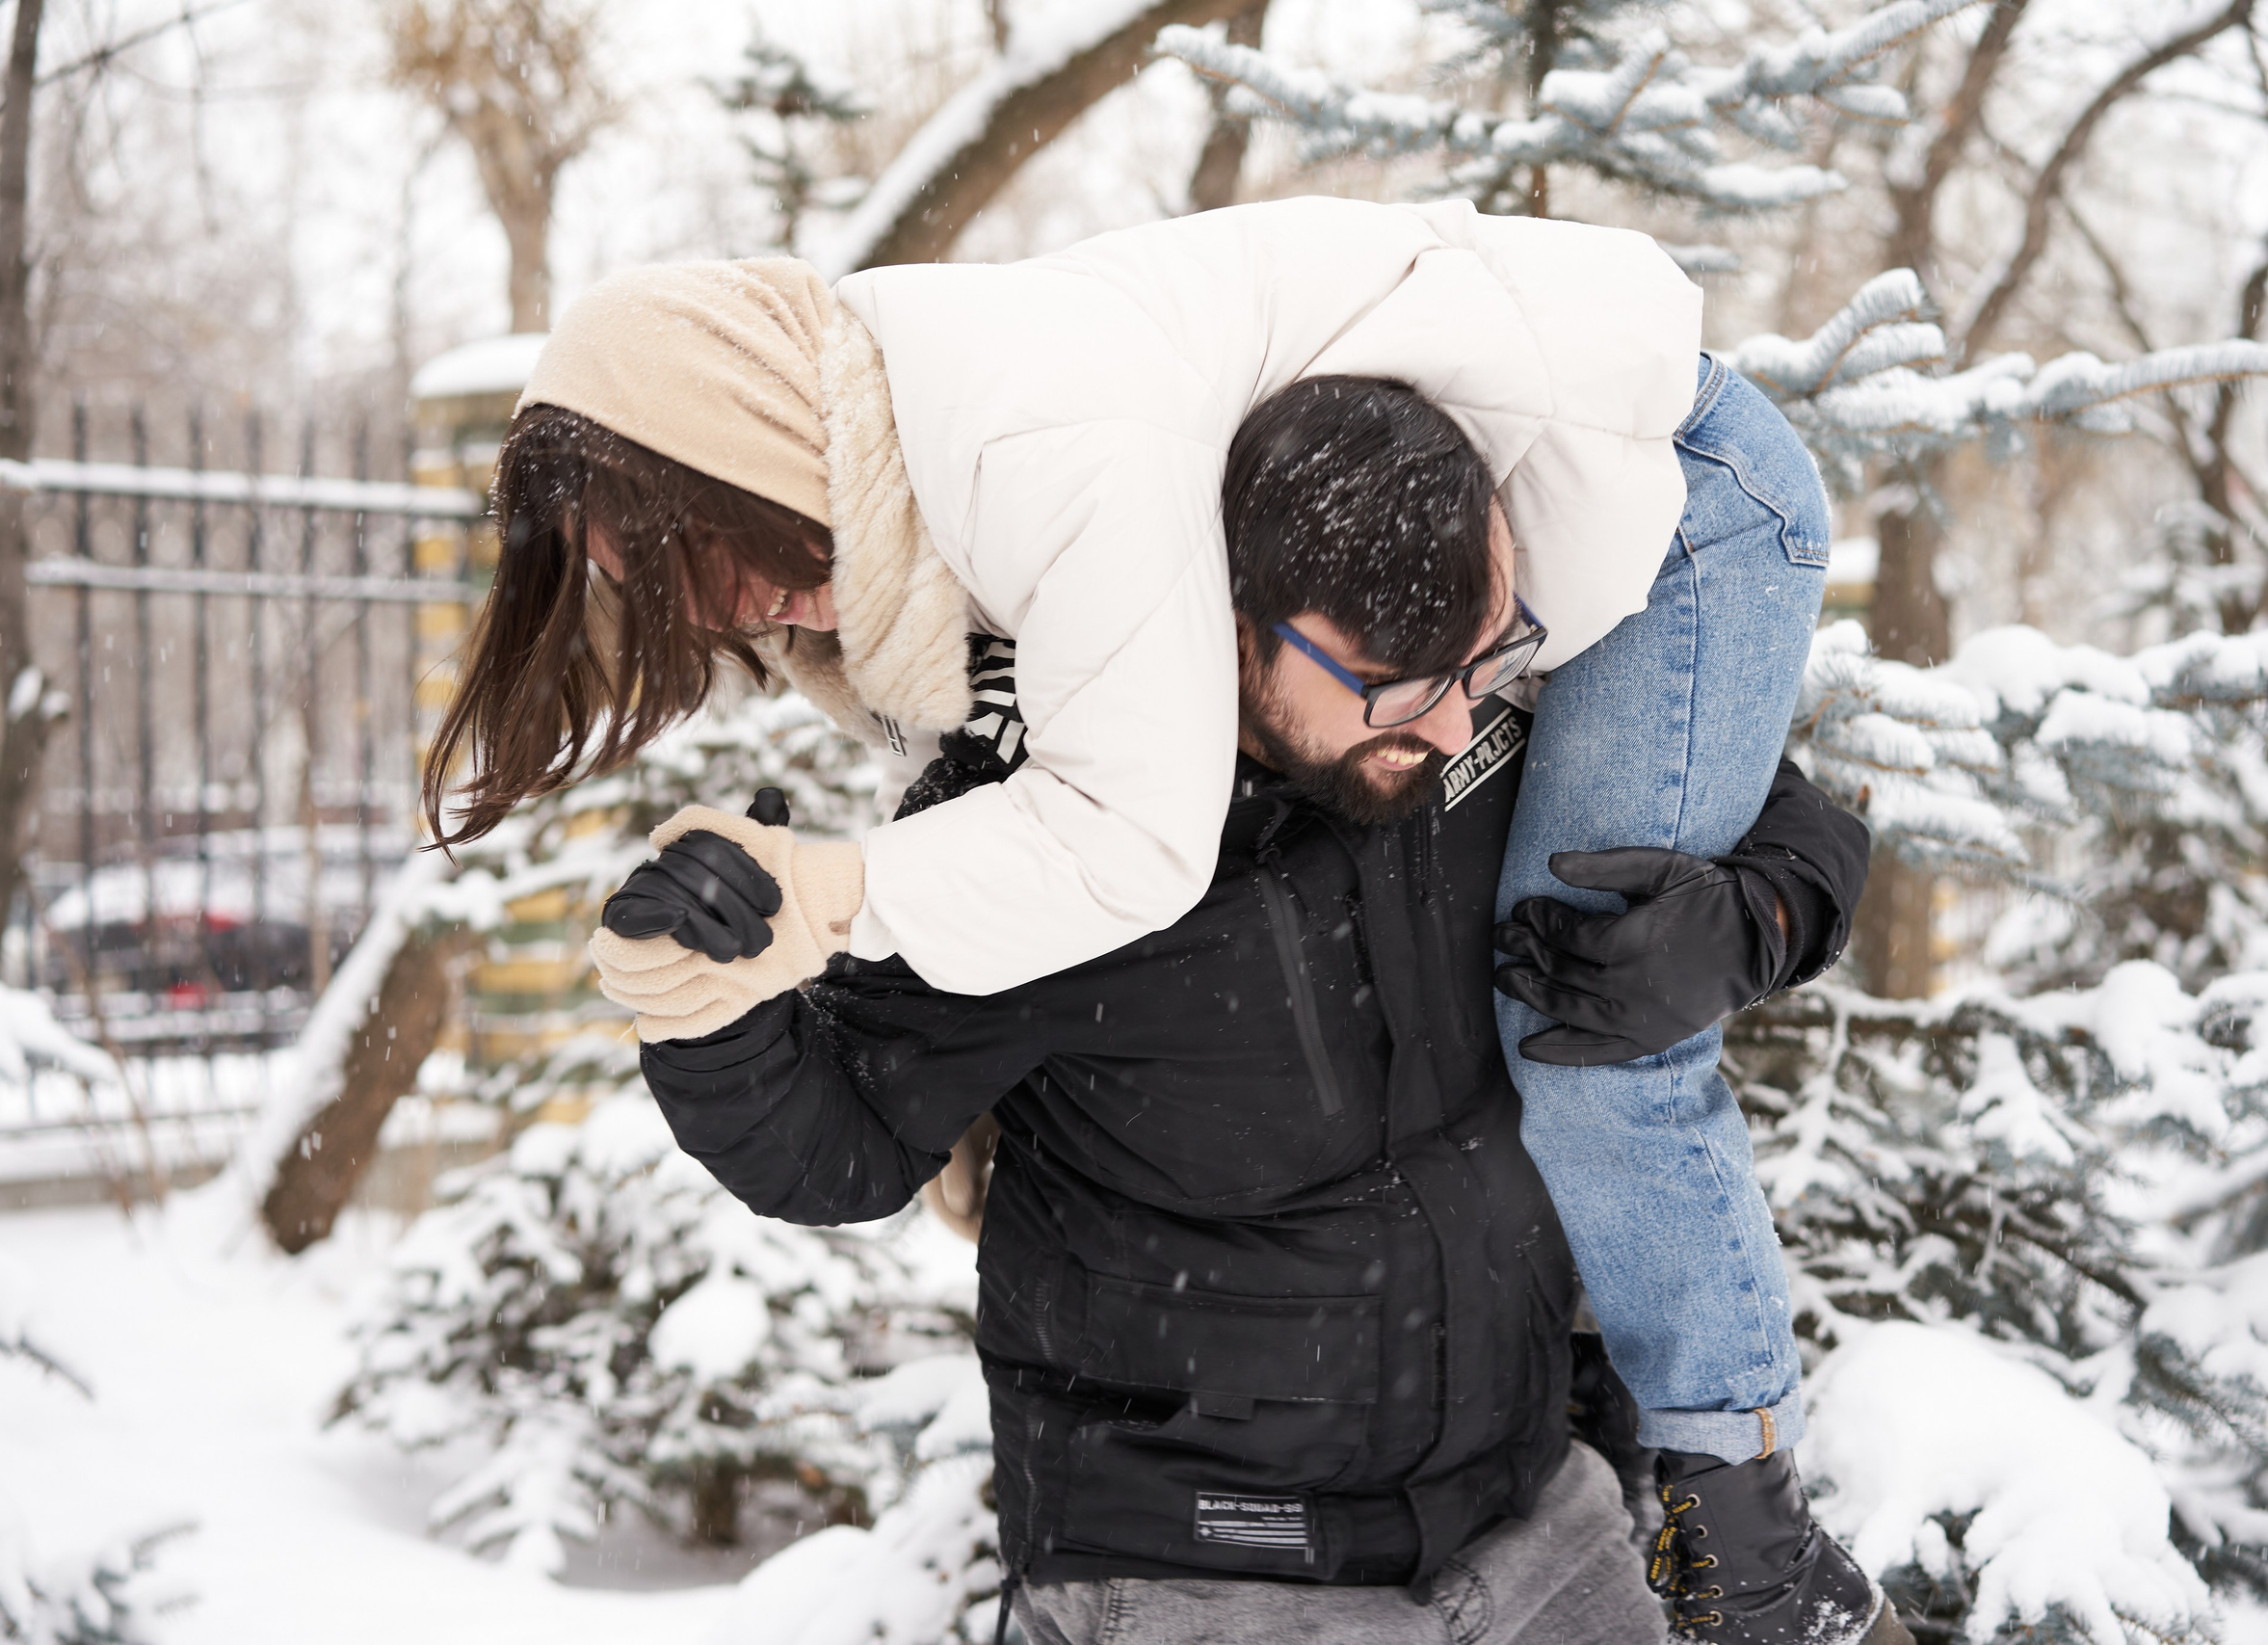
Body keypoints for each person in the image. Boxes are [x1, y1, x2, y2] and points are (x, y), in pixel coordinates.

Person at [425, 198, 1876, 1640]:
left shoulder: (1454, 659)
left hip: (1529, 1526)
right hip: (1200, 1577)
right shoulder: (1028, 819)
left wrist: (1745, 921)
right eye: (1400, 689)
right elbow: (843, 1140)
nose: (1454, 721)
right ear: (1231, 614)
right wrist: (715, 1009)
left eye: (1483, 669)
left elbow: (1764, 792)